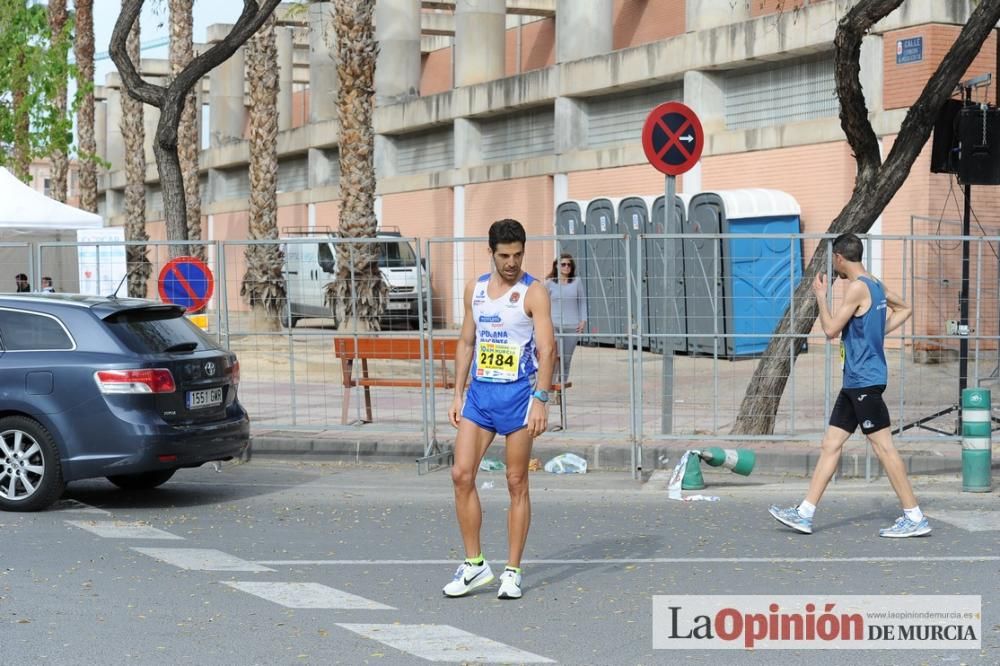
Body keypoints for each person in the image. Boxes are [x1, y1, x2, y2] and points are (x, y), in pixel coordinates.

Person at [769, 233, 929, 538]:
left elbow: (830, 330)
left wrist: (819, 295)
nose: (833, 265)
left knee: (884, 447)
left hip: (864, 380)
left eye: (833, 260)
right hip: (855, 381)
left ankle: (914, 516)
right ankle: (804, 513)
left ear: (840, 258)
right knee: (831, 444)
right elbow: (904, 308)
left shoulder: (856, 288)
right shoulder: (875, 284)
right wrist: (874, 335)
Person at [445, 218, 556, 600]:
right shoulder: (475, 290)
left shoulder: (534, 292)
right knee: (461, 475)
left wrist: (541, 399)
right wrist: (457, 393)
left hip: (518, 400)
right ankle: (475, 566)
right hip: (479, 397)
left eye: (518, 254)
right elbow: (465, 342)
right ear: (490, 252)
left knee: (515, 482)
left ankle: (512, 571)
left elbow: (548, 349)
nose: (512, 262)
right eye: (505, 255)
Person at [545, 253, 587, 403]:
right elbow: (543, 303)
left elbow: (582, 302)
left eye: (569, 265)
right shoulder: (549, 283)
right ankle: (549, 390)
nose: (566, 267)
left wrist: (583, 320)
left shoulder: (577, 282)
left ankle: (560, 392)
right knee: (554, 358)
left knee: (566, 360)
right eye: (563, 264)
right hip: (554, 326)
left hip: (572, 326)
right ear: (557, 266)